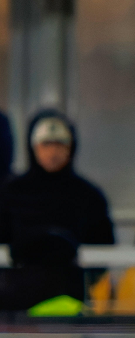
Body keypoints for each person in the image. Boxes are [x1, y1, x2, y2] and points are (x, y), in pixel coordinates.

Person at [0, 109, 114, 310]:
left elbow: (103, 252)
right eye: (45, 144)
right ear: (32, 146)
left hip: (73, 300)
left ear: (71, 147)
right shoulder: (10, 193)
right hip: (15, 301)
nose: (53, 152)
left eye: (60, 144)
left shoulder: (89, 196)